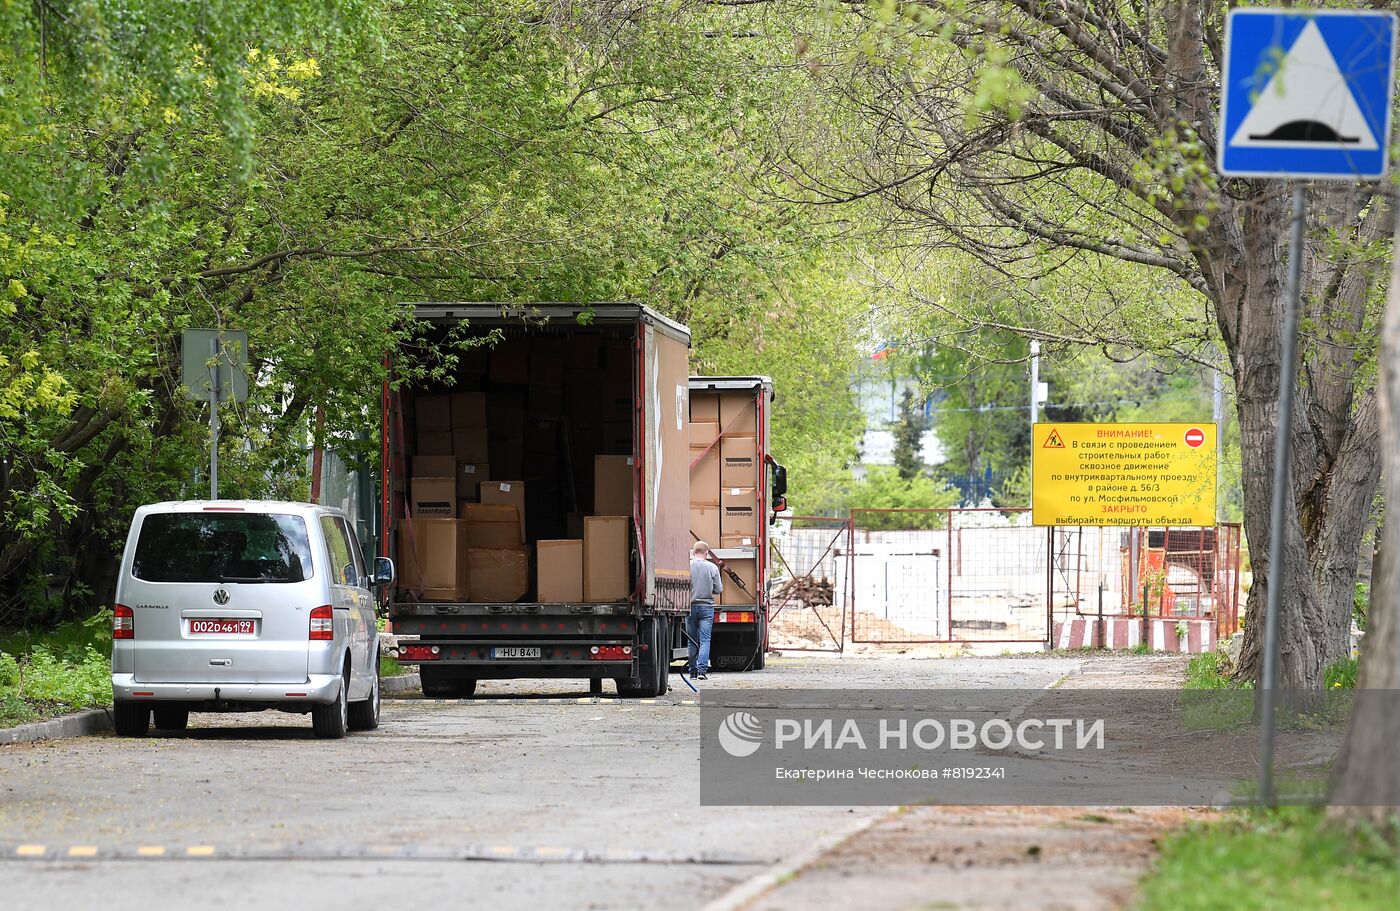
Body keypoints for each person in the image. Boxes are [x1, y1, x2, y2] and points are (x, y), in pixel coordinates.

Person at [688, 540, 723, 680]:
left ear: (693, 551)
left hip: (689, 607)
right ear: (707, 552)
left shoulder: (687, 566)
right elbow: (718, 589)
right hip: (706, 607)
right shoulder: (712, 567)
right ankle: (702, 671)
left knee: (691, 640)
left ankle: (692, 672)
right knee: (705, 640)